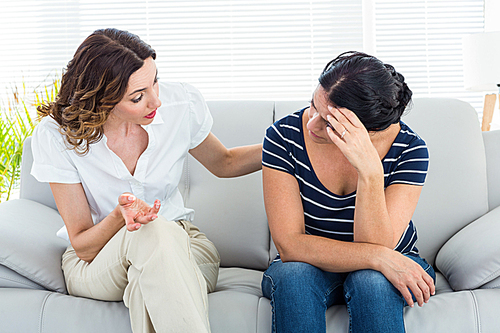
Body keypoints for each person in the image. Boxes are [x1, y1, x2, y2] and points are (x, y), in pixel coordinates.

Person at [31, 28, 262, 333]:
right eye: (138, 97)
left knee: (149, 275)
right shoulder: (57, 135)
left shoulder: (182, 103)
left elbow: (225, 161)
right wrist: (119, 217)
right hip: (97, 261)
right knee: (150, 234)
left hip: (185, 244)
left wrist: (287, 144)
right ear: (102, 100)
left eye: (155, 81)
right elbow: (84, 247)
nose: (156, 101)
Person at [261, 51, 436, 333]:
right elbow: (290, 245)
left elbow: (378, 242)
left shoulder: (409, 149)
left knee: (372, 281)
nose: (312, 124)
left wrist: (369, 171)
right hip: (312, 265)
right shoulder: (283, 137)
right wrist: (380, 258)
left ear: (370, 129)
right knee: (294, 276)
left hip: (390, 264)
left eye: (330, 123)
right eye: (313, 106)